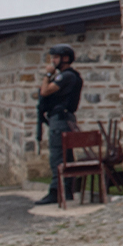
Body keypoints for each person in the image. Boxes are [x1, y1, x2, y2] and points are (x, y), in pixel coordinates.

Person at [34, 43, 83, 206]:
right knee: (65, 156)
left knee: (57, 155)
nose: (53, 61)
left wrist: (47, 75)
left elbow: (45, 91)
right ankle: (66, 190)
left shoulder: (66, 76)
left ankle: (56, 191)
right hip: (63, 118)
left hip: (60, 119)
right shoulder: (69, 76)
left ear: (65, 58)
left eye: (56, 57)